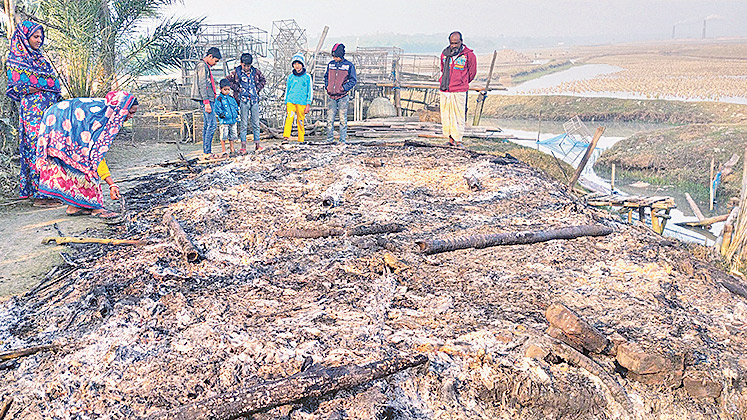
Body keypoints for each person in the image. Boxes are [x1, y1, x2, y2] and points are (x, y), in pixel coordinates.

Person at [35, 91, 138, 220]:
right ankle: (97, 208)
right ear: (122, 109)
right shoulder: (101, 118)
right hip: (61, 120)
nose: (132, 116)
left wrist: (111, 184)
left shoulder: (106, 111)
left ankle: (74, 206)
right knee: (87, 162)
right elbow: (97, 158)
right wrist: (111, 184)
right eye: (131, 112)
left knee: (76, 160)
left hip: (59, 117)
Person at [5, 20, 62, 205]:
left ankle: (47, 192)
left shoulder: (41, 60)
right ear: (24, 37)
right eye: (35, 37)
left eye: (41, 37)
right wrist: (44, 84)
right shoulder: (16, 59)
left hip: (49, 113)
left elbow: (51, 83)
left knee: (50, 148)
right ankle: (40, 195)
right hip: (32, 114)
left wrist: (39, 84)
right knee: (37, 148)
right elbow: (19, 86)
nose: (39, 40)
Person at [439, 31, 477, 147]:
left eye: (456, 43)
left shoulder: (469, 55)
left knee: (459, 115)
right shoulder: (444, 54)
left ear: (461, 42)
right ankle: (450, 139)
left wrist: (461, 82)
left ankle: (458, 140)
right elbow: (442, 68)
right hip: (445, 90)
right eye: (452, 43)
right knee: (446, 115)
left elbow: (472, 73)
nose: (454, 45)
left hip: (459, 90)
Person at [227, 52, 266, 153]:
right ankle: (243, 147)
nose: (246, 68)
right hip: (243, 101)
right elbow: (227, 81)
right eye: (245, 66)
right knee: (243, 124)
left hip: (254, 100)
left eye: (248, 66)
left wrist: (257, 89)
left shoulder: (256, 72)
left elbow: (263, 80)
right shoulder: (236, 72)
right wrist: (237, 89)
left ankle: (257, 145)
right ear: (241, 63)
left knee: (256, 124)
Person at [190, 47, 221, 158]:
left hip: (209, 99)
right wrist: (206, 102)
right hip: (207, 99)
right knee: (212, 125)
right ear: (210, 56)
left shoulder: (205, 66)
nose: (215, 64)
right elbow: (202, 84)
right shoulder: (202, 66)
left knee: (208, 125)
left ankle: (206, 151)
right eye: (215, 61)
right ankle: (207, 152)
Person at [324, 43, 356, 144]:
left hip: (343, 96)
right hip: (331, 96)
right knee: (329, 120)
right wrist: (327, 87)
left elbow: (353, 80)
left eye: (336, 56)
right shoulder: (330, 64)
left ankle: (342, 141)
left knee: (343, 120)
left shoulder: (349, 66)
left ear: (341, 55)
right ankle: (329, 140)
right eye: (333, 56)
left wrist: (343, 88)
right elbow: (326, 77)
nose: (335, 58)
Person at [283, 52, 313, 143]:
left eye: (299, 63)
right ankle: (286, 137)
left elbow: (310, 91)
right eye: (295, 64)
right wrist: (286, 101)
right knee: (290, 117)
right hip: (291, 101)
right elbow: (288, 89)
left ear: (302, 65)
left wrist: (308, 103)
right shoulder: (291, 77)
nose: (297, 66)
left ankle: (301, 139)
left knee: (300, 121)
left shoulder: (307, 77)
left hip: (302, 102)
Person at [213, 78, 239, 156]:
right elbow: (217, 108)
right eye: (225, 89)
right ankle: (223, 150)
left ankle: (232, 148)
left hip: (233, 120)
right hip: (224, 120)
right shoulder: (219, 99)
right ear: (220, 89)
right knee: (224, 135)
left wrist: (237, 112)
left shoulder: (231, 98)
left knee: (233, 135)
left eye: (228, 89)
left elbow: (235, 106)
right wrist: (221, 114)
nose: (227, 91)